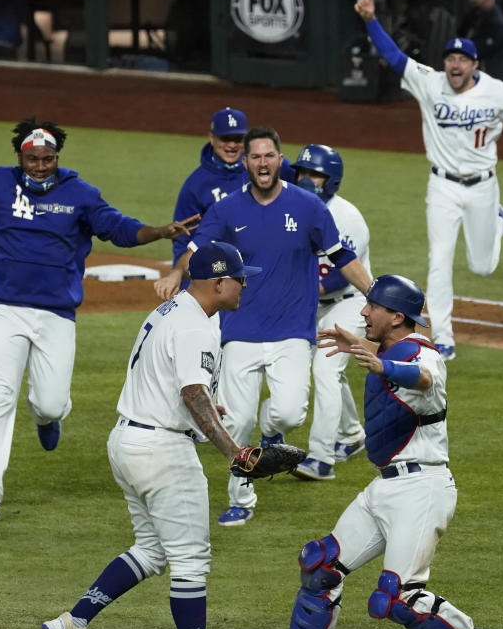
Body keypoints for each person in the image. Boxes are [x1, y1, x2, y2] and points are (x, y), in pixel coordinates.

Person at [0, 111, 198, 525]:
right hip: (3, 309)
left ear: (58, 157)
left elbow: (118, 228)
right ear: (21, 157)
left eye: (48, 158)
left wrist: (159, 232)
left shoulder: (81, 193)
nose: (40, 166)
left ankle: (48, 417)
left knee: (50, 403)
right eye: (33, 158)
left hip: (56, 314)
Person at [255, 274, 503, 629]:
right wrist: (366, 348)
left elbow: (423, 378)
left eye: (373, 306)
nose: (363, 311)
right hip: (385, 487)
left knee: (395, 597)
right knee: (320, 565)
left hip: (421, 489)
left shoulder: (425, 355)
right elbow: (397, 362)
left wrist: (380, 362)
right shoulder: (391, 348)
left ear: (396, 316)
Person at [40, 241, 260, 629]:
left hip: (128, 441)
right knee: (190, 561)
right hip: (161, 451)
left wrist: (205, 411)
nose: (244, 284)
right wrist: (233, 453)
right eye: (240, 277)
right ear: (219, 282)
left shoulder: (172, 310)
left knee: (154, 551)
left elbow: (177, 384)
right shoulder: (196, 324)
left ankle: (71, 625)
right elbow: (193, 396)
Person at [153, 125, 373, 526]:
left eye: (269, 155)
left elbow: (343, 256)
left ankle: (272, 434)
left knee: (289, 413)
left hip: (292, 329)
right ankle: (241, 498)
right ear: (247, 163)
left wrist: (374, 296)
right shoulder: (227, 210)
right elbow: (197, 248)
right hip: (239, 328)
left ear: (279, 159)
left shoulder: (309, 207)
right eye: (254, 157)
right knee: (236, 421)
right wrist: (174, 274)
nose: (262, 163)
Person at [354, 0, 503, 360]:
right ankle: (443, 337)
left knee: (482, 266)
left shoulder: (496, 92)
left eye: (462, 59)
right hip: (441, 185)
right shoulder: (430, 82)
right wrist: (371, 21)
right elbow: (394, 57)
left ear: (475, 64)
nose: (455, 65)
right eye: (450, 59)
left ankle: (497, 219)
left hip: (482, 188)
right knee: (439, 261)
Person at [291, 144, 371, 481]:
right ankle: (352, 434)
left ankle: (321, 459)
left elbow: (341, 272)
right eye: (303, 173)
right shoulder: (290, 208)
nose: (307, 180)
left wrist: (305, 293)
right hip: (312, 303)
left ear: (331, 180)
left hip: (350, 300)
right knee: (312, 367)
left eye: (316, 175)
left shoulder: (346, 215)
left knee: (324, 368)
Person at [169, 107, 295, 265]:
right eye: (225, 138)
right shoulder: (196, 185)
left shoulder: (270, 165)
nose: (232, 145)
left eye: (237, 138)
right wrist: (183, 276)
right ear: (211, 138)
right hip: (220, 269)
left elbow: (304, 188)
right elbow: (183, 238)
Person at [458, 0, 503, 82]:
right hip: (472, 70)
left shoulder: (498, 23)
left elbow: (482, 48)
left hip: (489, 72)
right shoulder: (475, 14)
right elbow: (461, 32)